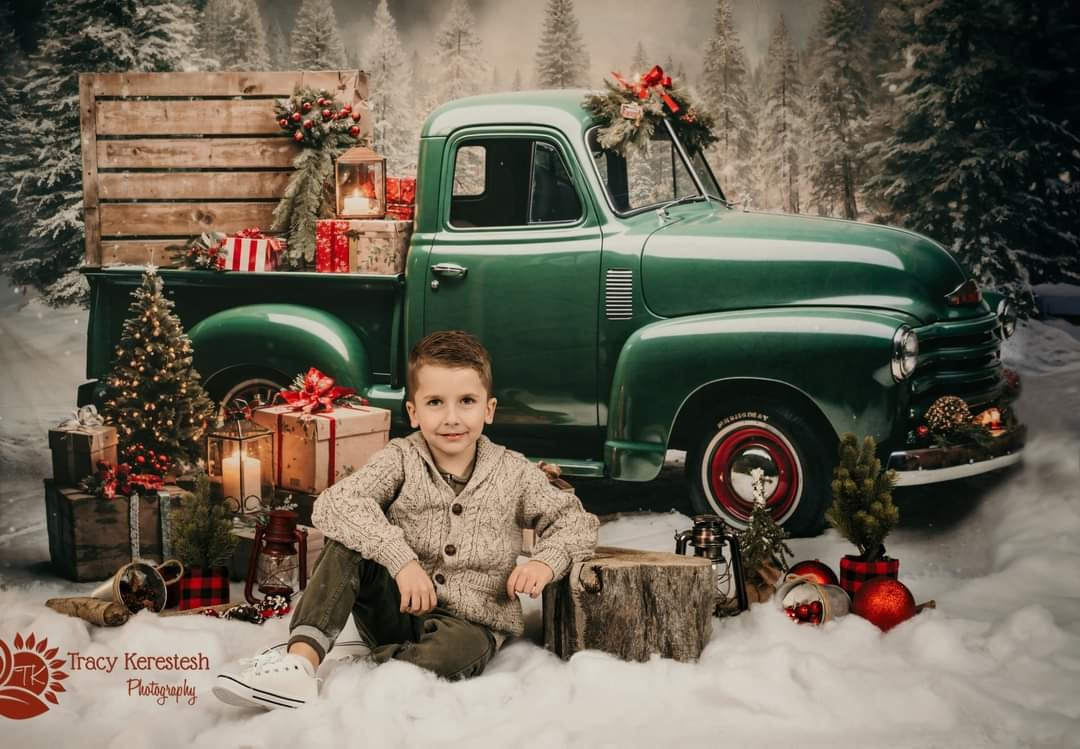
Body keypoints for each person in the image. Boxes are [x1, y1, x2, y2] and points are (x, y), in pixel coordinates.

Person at [213, 330, 600, 710]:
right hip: (396, 606)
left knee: (457, 654)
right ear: (413, 412)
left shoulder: (513, 472)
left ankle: (369, 668)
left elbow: (575, 523)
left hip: (469, 621)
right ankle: (299, 662)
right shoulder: (401, 458)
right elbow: (335, 503)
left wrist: (544, 562)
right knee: (348, 539)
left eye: (466, 401)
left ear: (489, 409)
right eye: (435, 402)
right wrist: (402, 560)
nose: (452, 417)